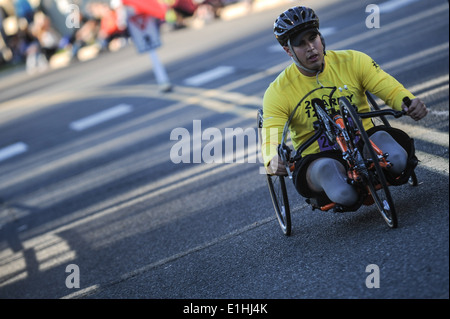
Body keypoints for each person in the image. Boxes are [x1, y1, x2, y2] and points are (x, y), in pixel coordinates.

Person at [261, 6, 428, 209]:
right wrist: (272, 158)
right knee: (344, 194)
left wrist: (407, 102)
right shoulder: (277, 91)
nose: (311, 48)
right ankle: (349, 187)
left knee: (399, 160)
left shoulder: (353, 60)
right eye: (300, 44)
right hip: (320, 158)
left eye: (313, 38)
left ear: (320, 37)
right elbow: (271, 133)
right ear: (288, 50)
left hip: (366, 139)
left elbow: (389, 89)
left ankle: (374, 171)